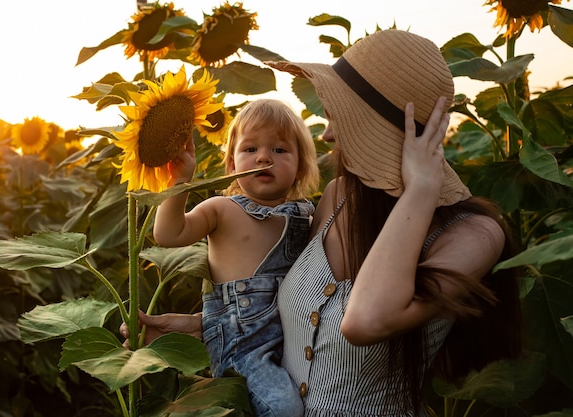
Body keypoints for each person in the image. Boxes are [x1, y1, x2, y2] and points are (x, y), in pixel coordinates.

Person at [123, 29, 522, 416]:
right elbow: (285, 311)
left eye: (338, 118)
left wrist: (420, 190)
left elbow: (365, 321)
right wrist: (202, 328)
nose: (328, 134)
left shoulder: (472, 234)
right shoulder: (337, 198)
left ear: (373, 126)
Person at [151, 98, 319, 417]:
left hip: (293, 336)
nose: (264, 157)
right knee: (283, 408)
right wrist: (180, 181)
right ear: (231, 164)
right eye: (250, 149)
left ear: (300, 168)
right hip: (240, 344)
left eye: (280, 150)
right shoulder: (222, 210)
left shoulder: (305, 217)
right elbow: (168, 235)